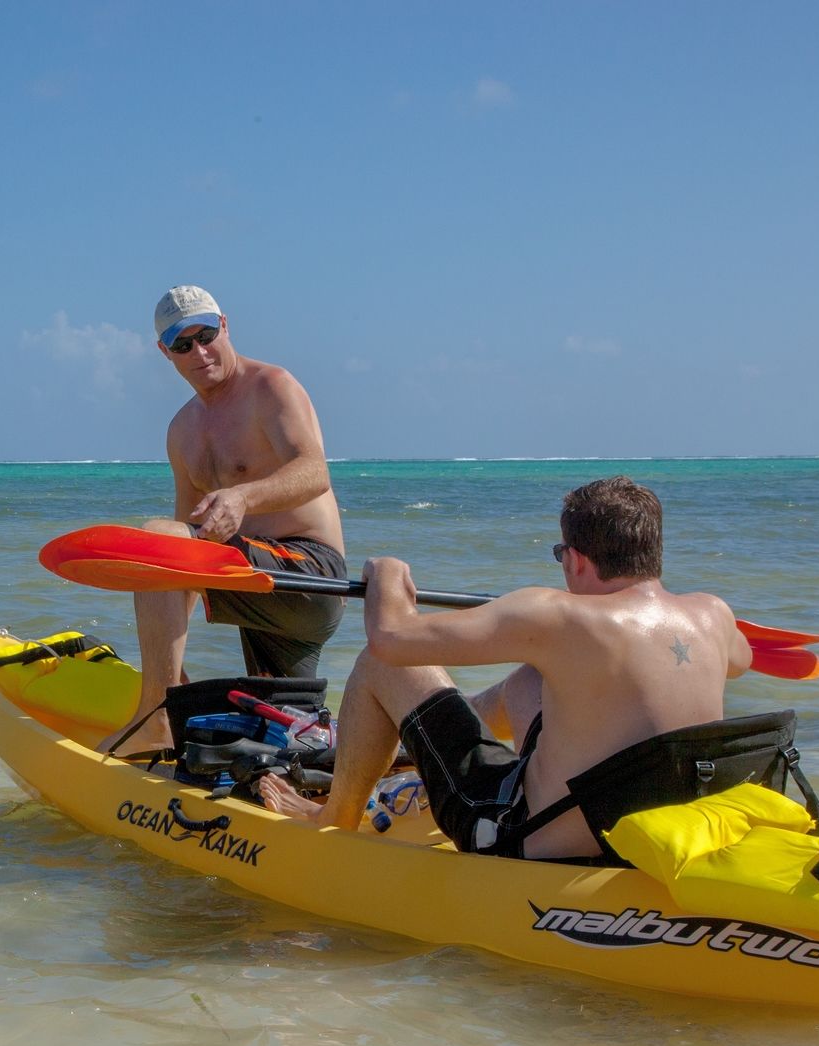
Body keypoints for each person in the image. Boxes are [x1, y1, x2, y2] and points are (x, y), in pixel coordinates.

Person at [257, 477, 755, 861]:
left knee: (377, 666)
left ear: (576, 560)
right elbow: (741, 660)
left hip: (527, 838)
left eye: (561, 555)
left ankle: (335, 815)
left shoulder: (557, 615)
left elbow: (391, 641)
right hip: (648, 827)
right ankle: (409, 749)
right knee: (534, 678)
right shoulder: (712, 614)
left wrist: (387, 573)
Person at [103, 285, 348, 751]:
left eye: (206, 335)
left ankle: (154, 717)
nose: (199, 352)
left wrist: (242, 498)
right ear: (165, 352)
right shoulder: (181, 431)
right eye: (182, 344)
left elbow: (315, 472)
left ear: (225, 326)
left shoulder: (271, 387)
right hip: (250, 584)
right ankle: (178, 713)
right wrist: (170, 663)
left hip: (308, 577)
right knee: (287, 737)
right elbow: (184, 547)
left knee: (155, 538)